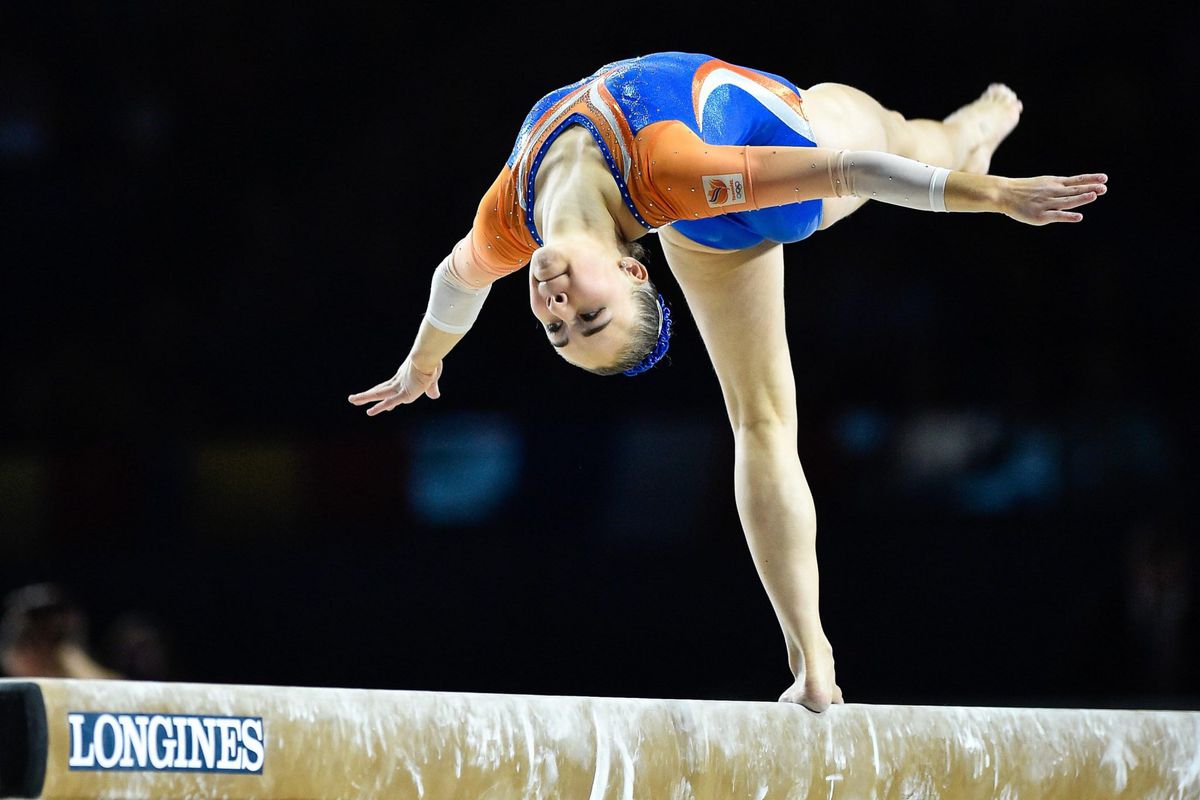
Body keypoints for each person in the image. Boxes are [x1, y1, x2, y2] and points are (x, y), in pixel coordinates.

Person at [347, 52, 1107, 711]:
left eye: (559, 328)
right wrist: (996, 196)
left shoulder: (509, 220)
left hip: (717, 194)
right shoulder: (670, 172)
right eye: (588, 316)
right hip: (783, 170)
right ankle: (814, 660)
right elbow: (855, 173)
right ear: (628, 270)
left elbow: (456, 280)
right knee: (767, 418)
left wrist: (424, 362)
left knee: (916, 137)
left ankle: (964, 136)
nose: (559, 309)